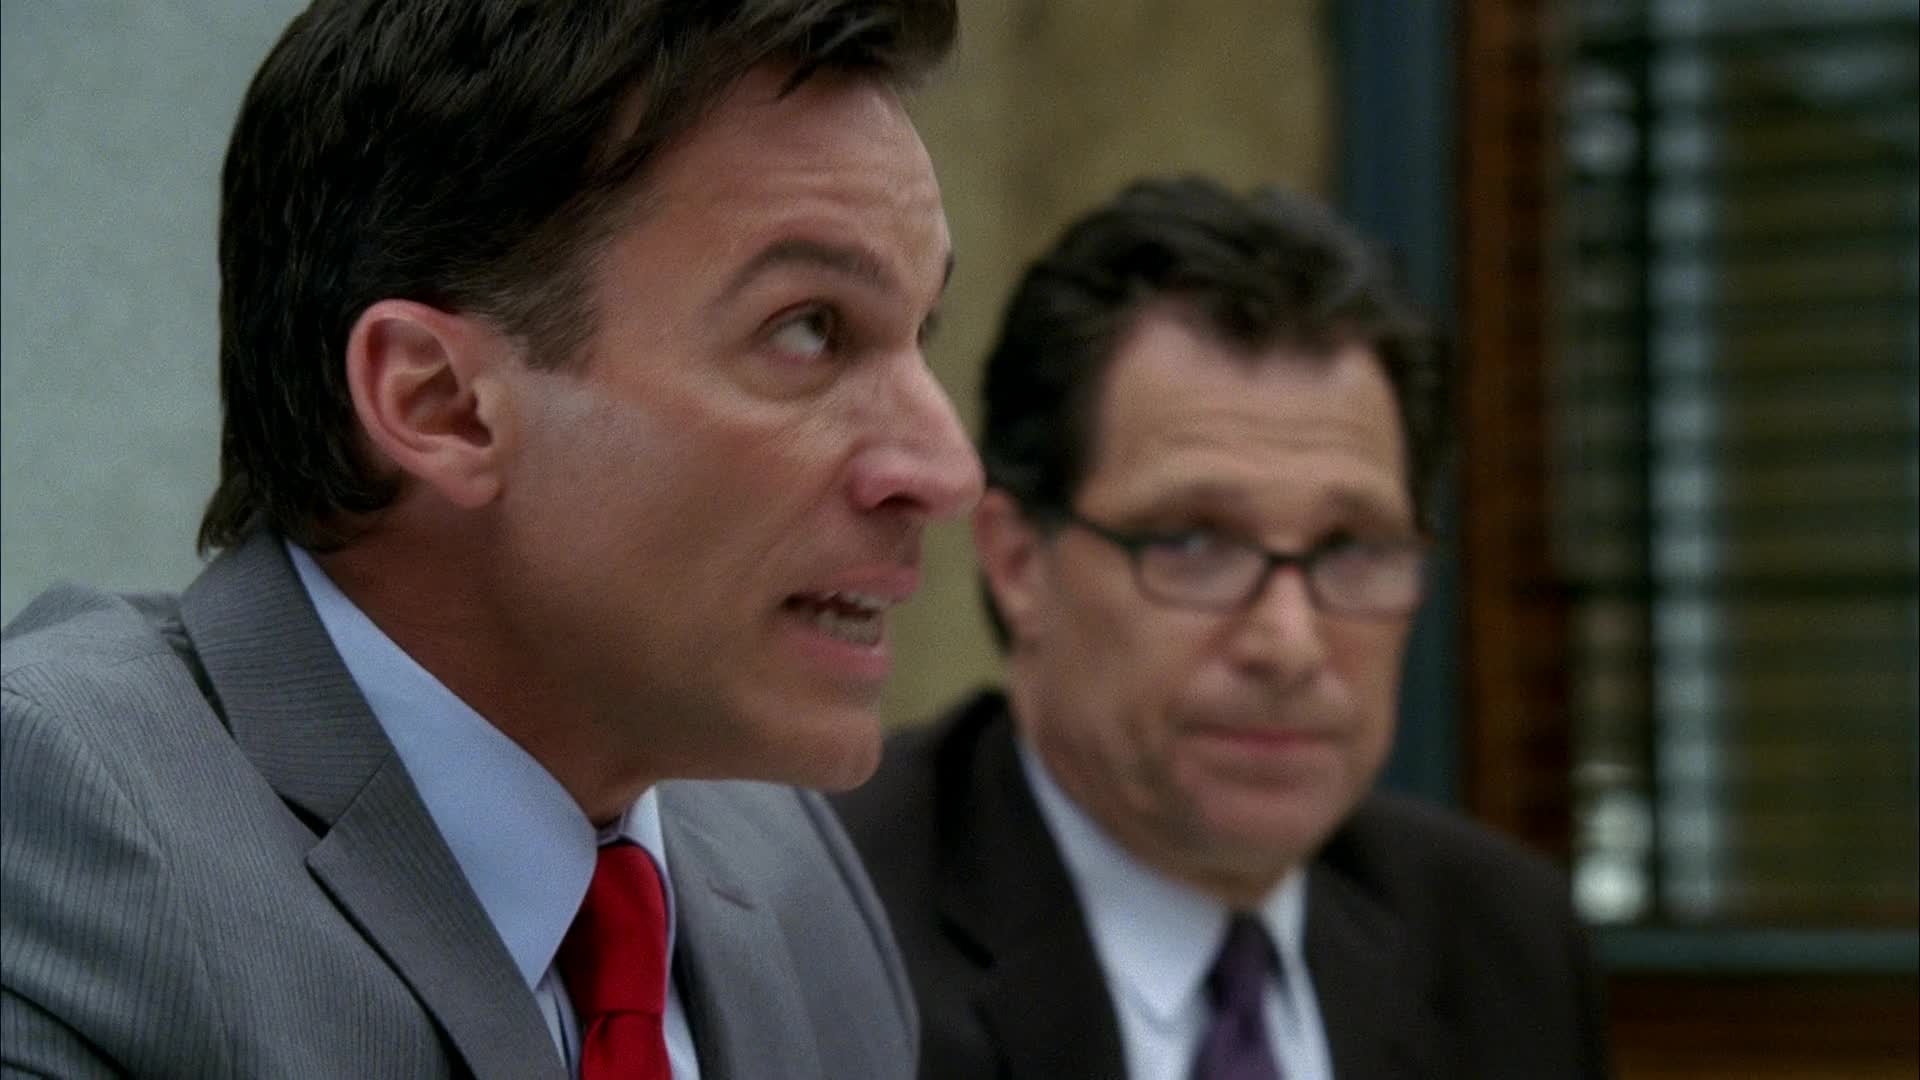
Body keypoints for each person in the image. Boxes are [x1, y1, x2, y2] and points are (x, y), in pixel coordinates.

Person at [1, 2, 980, 1077]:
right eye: (808, 329)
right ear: (438, 404)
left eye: (919, 334)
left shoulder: (792, 872)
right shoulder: (56, 818)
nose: (945, 471)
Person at [832, 176, 1610, 1080]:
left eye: (1353, 547)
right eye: (1195, 543)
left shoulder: (1503, 946)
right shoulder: (823, 934)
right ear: (1018, 563)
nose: (1290, 645)